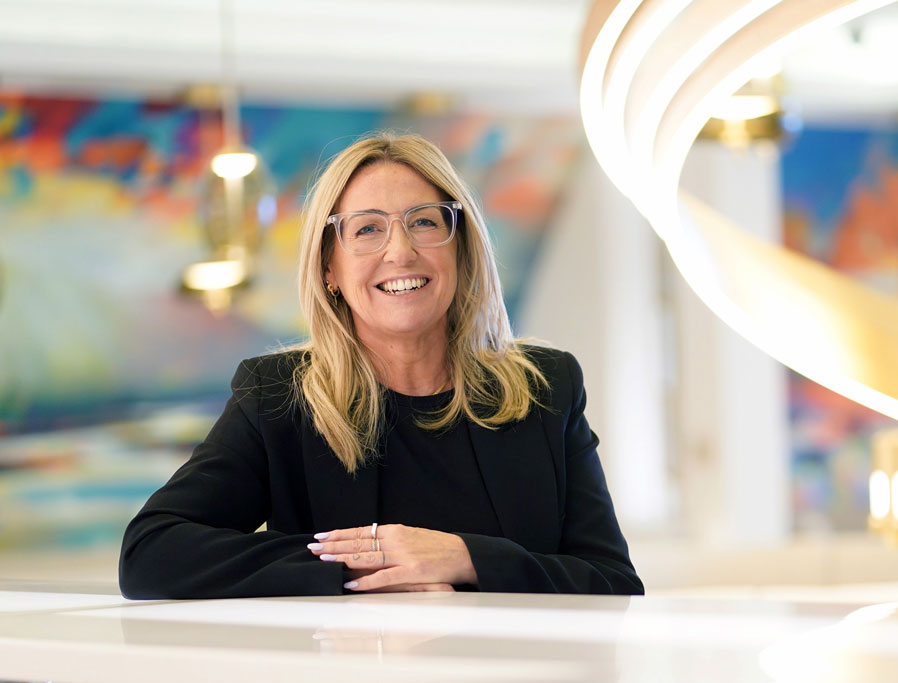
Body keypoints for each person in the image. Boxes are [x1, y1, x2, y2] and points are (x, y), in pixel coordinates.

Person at [120, 133, 643, 599]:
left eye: (424, 222)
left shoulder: (546, 388)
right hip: (349, 679)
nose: (400, 251)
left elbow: (613, 581)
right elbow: (152, 553)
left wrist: (466, 557)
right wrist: (370, 561)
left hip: (521, 678)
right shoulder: (278, 397)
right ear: (329, 267)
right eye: (368, 229)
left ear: (461, 248)